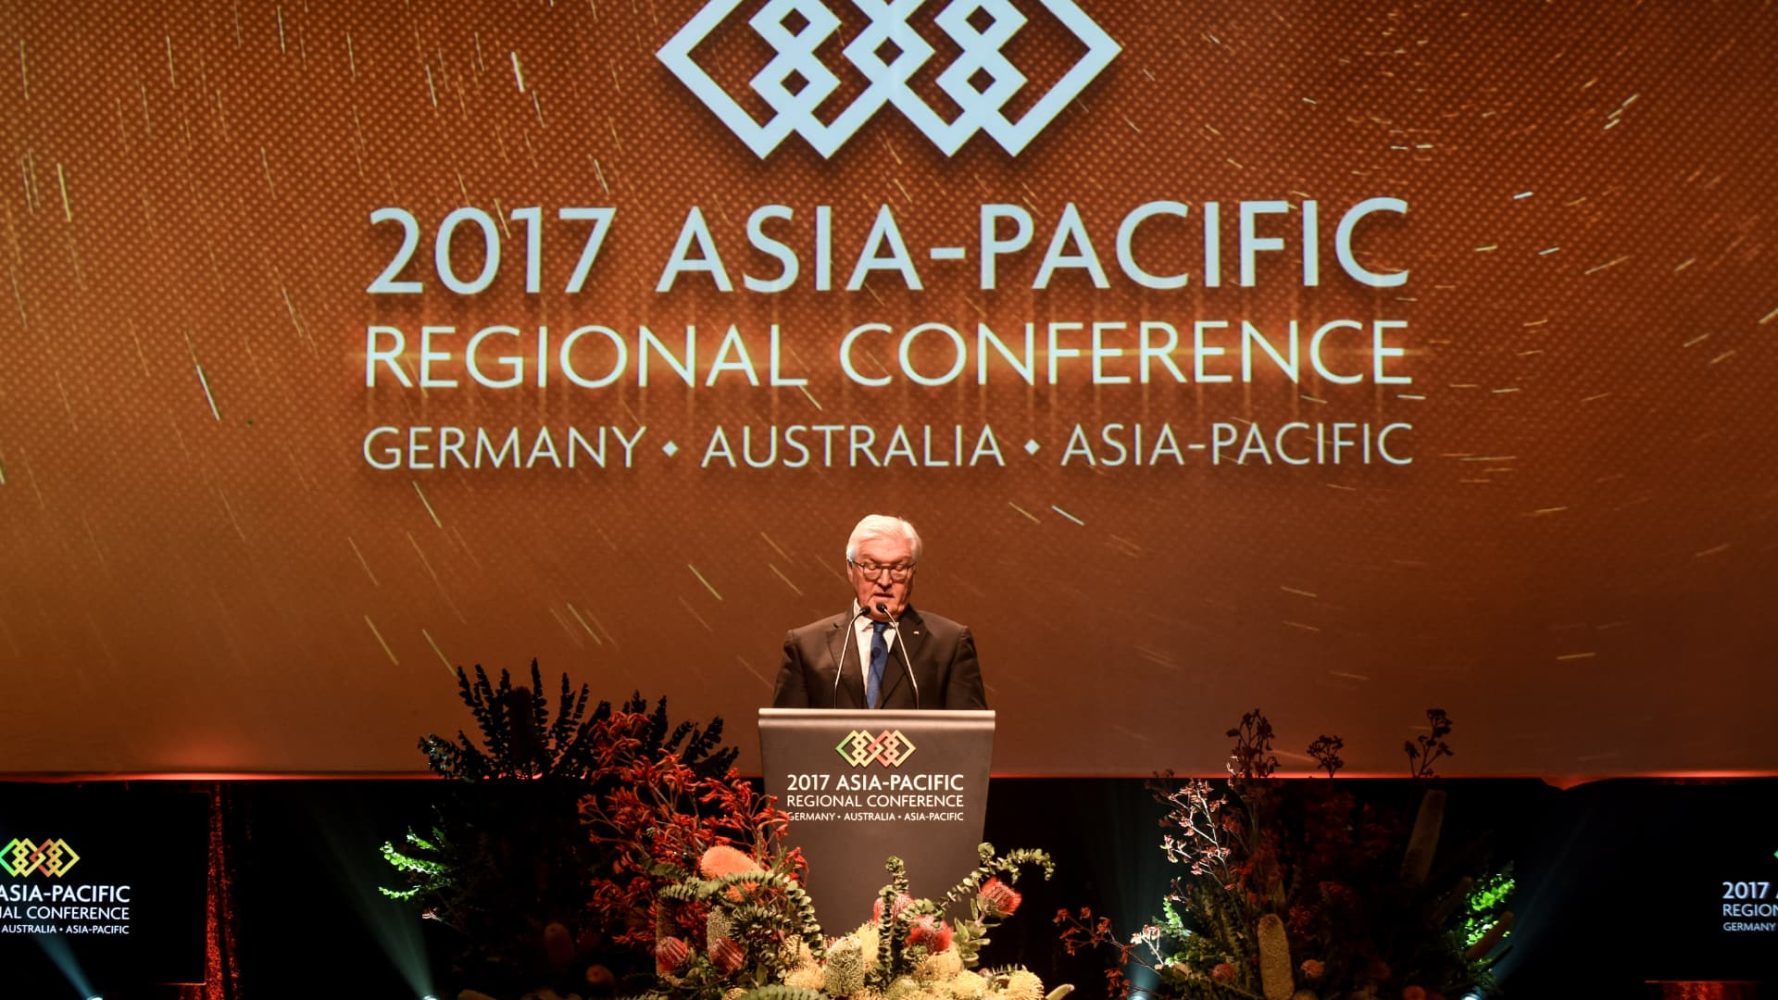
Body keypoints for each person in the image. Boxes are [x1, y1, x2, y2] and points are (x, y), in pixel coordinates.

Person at [771, 515, 987, 710]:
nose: (885, 581)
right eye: (872, 566)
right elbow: (786, 741)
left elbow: (970, 742)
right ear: (850, 568)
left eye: (898, 568)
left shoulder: (949, 644)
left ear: (913, 571)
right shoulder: (806, 646)